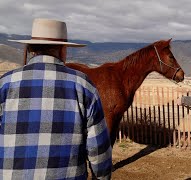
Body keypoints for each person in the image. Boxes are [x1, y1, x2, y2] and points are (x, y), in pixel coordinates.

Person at [0, 18, 112, 179]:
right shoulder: (83, 85)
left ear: (31, 48)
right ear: (63, 50)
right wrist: (102, 176)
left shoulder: (5, 83)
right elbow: (99, 151)